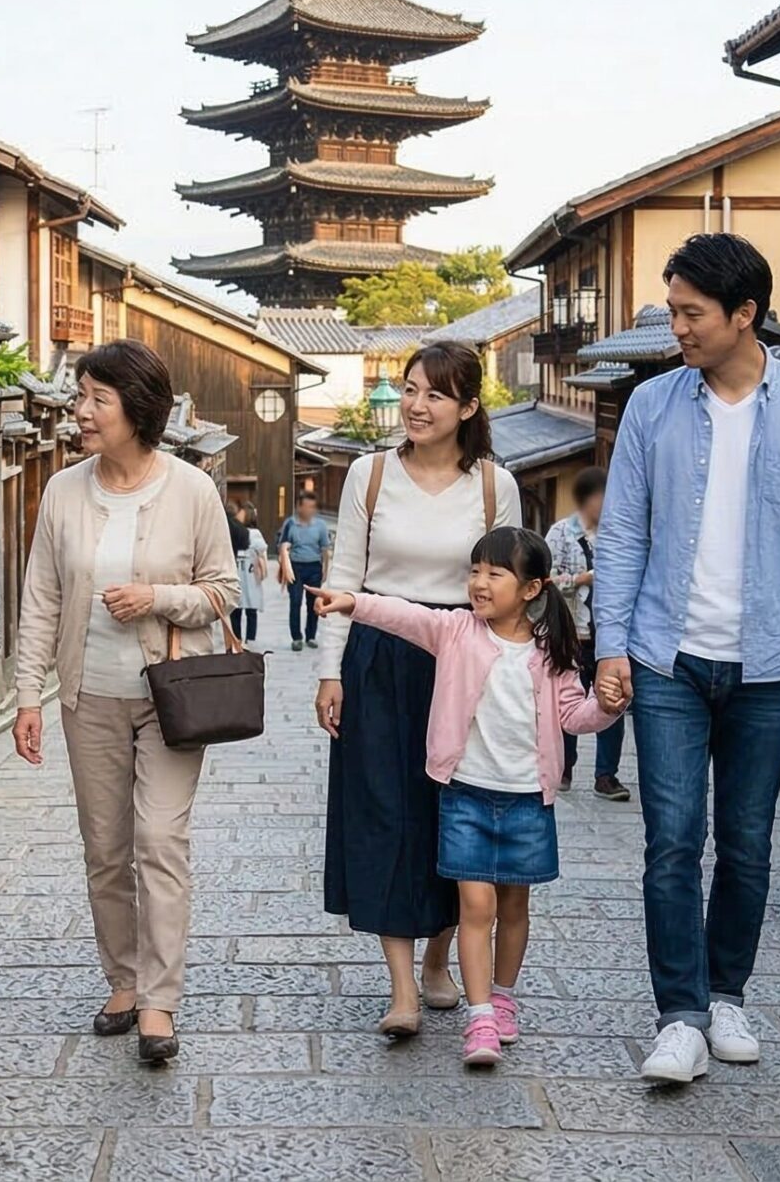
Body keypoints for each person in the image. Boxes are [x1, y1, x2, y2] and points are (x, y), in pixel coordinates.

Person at [590, 234, 780, 1086]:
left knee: (746, 841)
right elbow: (624, 533)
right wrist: (611, 646)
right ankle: (679, 1015)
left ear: (745, 315)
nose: (675, 326)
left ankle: (727, 991)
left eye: (689, 312)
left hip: (772, 660)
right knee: (672, 839)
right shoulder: (651, 407)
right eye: (672, 310)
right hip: (668, 653)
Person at [312, 527, 625, 1069]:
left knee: (515, 907)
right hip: (466, 797)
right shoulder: (456, 630)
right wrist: (354, 603)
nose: (478, 583)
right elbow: (406, 616)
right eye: (474, 571)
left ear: (531, 588)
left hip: (529, 802)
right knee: (475, 905)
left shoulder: (553, 654)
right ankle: (479, 1016)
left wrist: (609, 707)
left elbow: (575, 716)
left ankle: (503, 997)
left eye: (493, 574)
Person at [10, 340, 237, 1065]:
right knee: (105, 849)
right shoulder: (63, 490)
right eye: (80, 397)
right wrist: (28, 695)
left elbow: (224, 593)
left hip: (172, 699)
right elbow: (41, 597)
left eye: (94, 400)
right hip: (89, 697)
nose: (79, 411)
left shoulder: (192, 490)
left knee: (159, 841)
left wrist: (157, 598)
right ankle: (123, 978)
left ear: (136, 410)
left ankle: (159, 1000)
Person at [317, 341, 522, 1036]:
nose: (415, 405)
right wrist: (328, 670)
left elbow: (508, 590)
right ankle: (402, 986)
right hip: (377, 654)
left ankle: (440, 959)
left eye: (435, 394)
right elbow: (344, 573)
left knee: (453, 815)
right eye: (408, 390)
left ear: (468, 406)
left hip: (462, 656)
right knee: (383, 812)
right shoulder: (369, 474)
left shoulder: (495, 485)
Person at [547, 466, 628, 801]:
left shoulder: (620, 534)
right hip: (573, 630)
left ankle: (606, 775)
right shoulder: (561, 533)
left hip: (610, 635)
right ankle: (564, 766)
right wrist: (583, 579)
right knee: (567, 698)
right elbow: (545, 581)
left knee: (613, 699)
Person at [276, 492, 334, 651]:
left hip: (314, 566)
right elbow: (283, 547)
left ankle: (311, 635)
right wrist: (284, 567)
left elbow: (324, 549)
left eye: (313, 507)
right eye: (307, 506)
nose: (310, 510)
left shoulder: (320, 526)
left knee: (313, 603)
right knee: (295, 602)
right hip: (295, 566)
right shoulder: (290, 524)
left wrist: (325, 570)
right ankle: (296, 637)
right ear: (299, 507)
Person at [230, 506, 269, 641]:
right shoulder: (235, 531)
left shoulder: (254, 533)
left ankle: (248, 640)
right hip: (239, 573)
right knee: (237, 609)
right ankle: (238, 639)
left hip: (250, 574)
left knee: (248, 610)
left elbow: (262, 549)